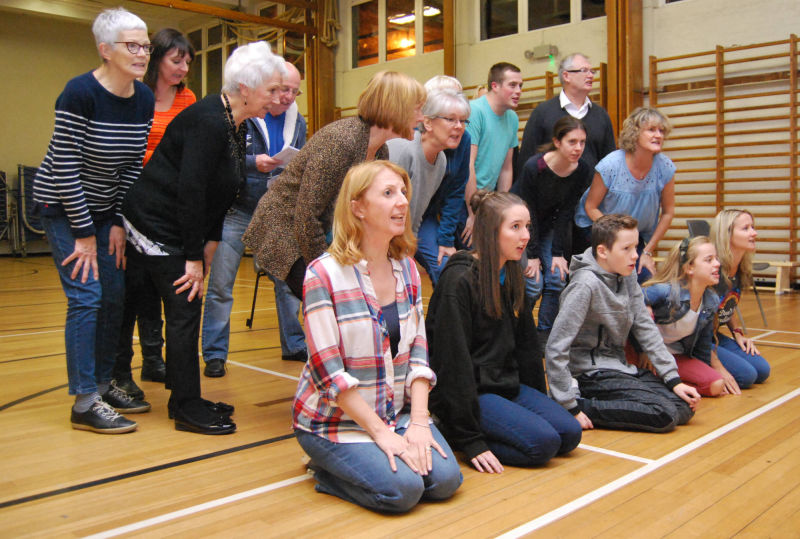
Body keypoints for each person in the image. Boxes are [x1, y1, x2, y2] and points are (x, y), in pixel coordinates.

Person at [122, 41, 286, 434]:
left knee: (185, 309)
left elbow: (221, 190)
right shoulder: (209, 120)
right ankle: (185, 407)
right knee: (184, 309)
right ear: (246, 88)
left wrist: (210, 242)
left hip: (179, 225)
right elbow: (191, 190)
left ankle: (186, 397)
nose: (278, 98)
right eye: (272, 90)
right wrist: (194, 256)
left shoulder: (237, 122)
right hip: (153, 224)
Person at [293, 161, 462, 512]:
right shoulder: (322, 275)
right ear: (358, 207)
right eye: (388, 193)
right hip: (334, 422)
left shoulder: (409, 271)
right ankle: (325, 470)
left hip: (393, 411)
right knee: (403, 492)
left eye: (403, 192)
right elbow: (330, 376)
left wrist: (417, 423)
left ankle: (378, 453)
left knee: (445, 482)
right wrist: (382, 434)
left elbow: (418, 354)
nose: (402, 201)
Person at [33, 8, 155, 433]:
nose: (142, 54)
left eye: (146, 45)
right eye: (132, 45)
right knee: (86, 297)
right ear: (106, 50)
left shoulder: (142, 98)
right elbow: (64, 167)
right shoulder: (79, 93)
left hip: (105, 210)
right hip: (63, 207)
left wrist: (119, 221)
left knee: (115, 294)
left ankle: (104, 385)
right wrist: (84, 233)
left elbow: (130, 168)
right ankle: (84, 400)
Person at [427, 191, 581, 474]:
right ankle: (452, 433)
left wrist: (537, 403)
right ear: (489, 231)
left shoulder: (511, 274)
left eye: (527, 227)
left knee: (569, 434)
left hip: (505, 385)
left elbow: (526, 349)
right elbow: (452, 362)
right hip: (471, 393)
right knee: (543, 444)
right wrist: (471, 440)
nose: (526, 236)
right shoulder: (458, 280)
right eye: (515, 227)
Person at [243, 71, 426, 299]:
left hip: (315, 231)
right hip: (286, 231)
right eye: (417, 109)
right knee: (331, 302)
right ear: (396, 107)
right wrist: (325, 273)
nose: (421, 118)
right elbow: (307, 216)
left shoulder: (380, 150)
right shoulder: (341, 142)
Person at [546, 214, 701, 432]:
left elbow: (646, 328)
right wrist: (569, 404)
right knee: (664, 414)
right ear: (602, 251)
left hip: (619, 368)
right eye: (626, 249)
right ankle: (583, 405)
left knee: (683, 407)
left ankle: (606, 402)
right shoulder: (585, 286)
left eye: (636, 247)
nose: (635, 255)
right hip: (591, 373)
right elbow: (556, 346)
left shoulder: (627, 276)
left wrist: (673, 379)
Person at [202, 61, 308, 378]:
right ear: (269, 85)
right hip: (236, 210)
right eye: (283, 89)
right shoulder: (242, 114)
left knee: (287, 283)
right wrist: (252, 163)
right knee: (221, 286)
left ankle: (294, 345)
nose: (288, 96)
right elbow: (218, 159)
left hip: (276, 212)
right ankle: (215, 354)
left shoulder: (298, 122)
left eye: (294, 91)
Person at [114, 27, 196, 399]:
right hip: (132, 203)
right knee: (132, 289)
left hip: (167, 208)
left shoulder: (189, 98)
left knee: (159, 287)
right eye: (176, 60)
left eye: (188, 62)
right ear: (158, 59)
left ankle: (153, 358)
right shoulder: (136, 96)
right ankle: (121, 368)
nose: (183, 68)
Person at [574, 107, 676, 283]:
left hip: (634, 237)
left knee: (644, 279)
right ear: (634, 133)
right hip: (599, 230)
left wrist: (647, 252)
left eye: (661, 131)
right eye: (651, 130)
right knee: (612, 279)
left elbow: (668, 213)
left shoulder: (665, 167)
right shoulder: (610, 165)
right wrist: (615, 235)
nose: (658, 135)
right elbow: (590, 207)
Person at [511, 116, 592, 334]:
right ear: (557, 142)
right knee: (534, 284)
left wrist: (557, 253)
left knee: (557, 277)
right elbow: (529, 214)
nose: (578, 148)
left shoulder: (582, 170)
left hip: (547, 227)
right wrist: (534, 255)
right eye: (572, 142)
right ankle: (518, 331)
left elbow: (566, 212)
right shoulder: (534, 167)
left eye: (582, 142)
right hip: (520, 226)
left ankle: (544, 334)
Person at [388, 88, 470, 285]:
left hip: (405, 232)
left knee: (446, 268)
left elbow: (416, 215)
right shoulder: (404, 150)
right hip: (378, 235)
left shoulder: (441, 160)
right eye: (451, 119)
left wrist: (409, 248)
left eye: (463, 121)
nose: (459, 127)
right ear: (427, 122)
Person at [642, 237, 727, 397]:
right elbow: (632, 300)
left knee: (716, 385)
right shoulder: (665, 292)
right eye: (709, 260)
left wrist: (705, 371)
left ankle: (665, 382)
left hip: (673, 355)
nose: (717, 264)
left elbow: (703, 343)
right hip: (643, 353)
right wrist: (643, 350)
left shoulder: (711, 300)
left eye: (716, 259)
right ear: (689, 268)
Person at [517, 53, 615, 175]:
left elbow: (609, 161)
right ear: (566, 76)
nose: (590, 75)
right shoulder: (542, 113)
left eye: (592, 71)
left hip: (591, 191)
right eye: (584, 70)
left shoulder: (601, 115)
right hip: (551, 190)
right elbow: (528, 158)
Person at [416, 75, 472, 285]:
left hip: (431, 213)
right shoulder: (410, 142)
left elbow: (456, 192)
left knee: (450, 266)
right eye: (450, 117)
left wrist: (446, 240)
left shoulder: (463, 138)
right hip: (406, 217)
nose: (458, 124)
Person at [462, 62, 523, 246]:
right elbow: (468, 165)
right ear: (494, 86)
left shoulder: (512, 118)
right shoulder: (475, 111)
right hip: (463, 200)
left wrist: (502, 209)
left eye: (521, 85)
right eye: (512, 85)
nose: (518, 90)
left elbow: (506, 169)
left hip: (487, 199)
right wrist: (472, 214)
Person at [710, 209, 771, 389]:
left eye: (752, 227)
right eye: (746, 228)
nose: (754, 233)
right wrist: (718, 366)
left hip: (712, 335)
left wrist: (737, 332)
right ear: (726, 234)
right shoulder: (713, 270)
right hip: (695, 340)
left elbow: (728, 302)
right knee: (747, 376)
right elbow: (695, 326)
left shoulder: (739, 267)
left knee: (762, 370)